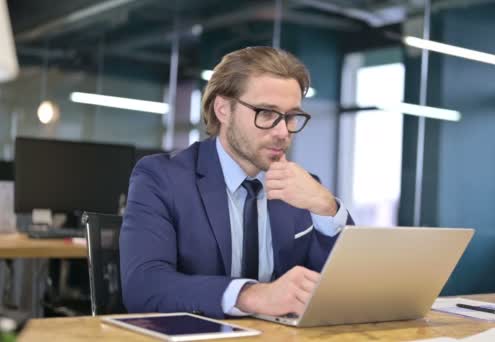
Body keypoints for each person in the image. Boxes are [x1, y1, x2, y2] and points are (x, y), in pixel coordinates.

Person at [120, 46, 353, 319]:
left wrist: (327, 207)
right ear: (223, 109)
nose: (282, 132)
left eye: (290, 117)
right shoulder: (162, 178)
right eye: (266, 113)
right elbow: (143, 287)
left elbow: (348, 289)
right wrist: (250, 296)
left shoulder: (304, 187)